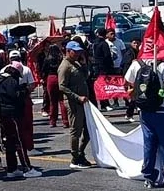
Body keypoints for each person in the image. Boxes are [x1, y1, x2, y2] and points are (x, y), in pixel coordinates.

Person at [125, 54, 164, 187]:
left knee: (149, 144)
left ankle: (149, 176)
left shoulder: (136, 64)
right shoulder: (162, 65)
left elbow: (127, 85)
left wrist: (138, 95)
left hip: (144, 111)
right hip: (163, 111)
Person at [0, 62, 42, 179]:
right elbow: (16, 96)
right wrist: (25, 90)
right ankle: (27, 167)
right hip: (13, 114)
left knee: (10, 142)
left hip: (4, 113)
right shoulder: (11, 81)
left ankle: (12, 169)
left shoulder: (1, 80)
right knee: (20, 141)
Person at [58, 41, 92, 169]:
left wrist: (84, 65)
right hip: (74, 103)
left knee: (88, 130)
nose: (78, 54)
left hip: (84, 101)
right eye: (75, 52)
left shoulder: (76, 63)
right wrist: (77, 97)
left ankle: (81, 152)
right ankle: (75, 157)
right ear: (68, 51)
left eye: (79, 52)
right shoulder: (65, 66)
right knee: (76, 131)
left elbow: (86, 77)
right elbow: (62, 86)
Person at [2, 50, 40, 155]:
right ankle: (29, 147)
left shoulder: (4, 70)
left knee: (13, 126)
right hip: (23, 99)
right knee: (27, 124)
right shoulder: (26, 69)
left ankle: (16, 147)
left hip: (10, 101)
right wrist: (25, 91)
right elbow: (32, 85)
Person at [42, 44, 69, 128]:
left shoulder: (47, 59)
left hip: (50, 78)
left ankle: (52, 121)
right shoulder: (61, 59)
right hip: (60, 77)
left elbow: (43, 71)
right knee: (62, 100)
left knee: (52, 101)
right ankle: (65, 121)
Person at [91, 28, 114, 111]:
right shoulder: (104, 44)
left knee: (99, 86)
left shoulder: (94, 43)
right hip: (103, 68)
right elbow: (107, 56)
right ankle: (105, 104)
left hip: (95, 67)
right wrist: (111, 66)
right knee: (104, 86)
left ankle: (102, 103)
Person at [122, 38, 140, 122]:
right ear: (131, 44)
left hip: (138, 77)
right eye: (134, 43)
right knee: (133, 97)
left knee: (135, 97)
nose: (136, 45)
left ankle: (131, 113)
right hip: (131, 78)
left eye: (137, 43)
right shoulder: (129, 53)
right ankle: (129, 114)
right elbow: (126, 66)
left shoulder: (139, 52)